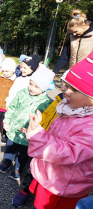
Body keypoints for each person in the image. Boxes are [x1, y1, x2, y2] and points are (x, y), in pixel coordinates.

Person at [24, 52, 93, 209]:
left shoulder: (90, 127)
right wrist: (38, 131)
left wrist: (39, 136)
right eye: (65, 85)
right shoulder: (70, 108)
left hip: (65, 186)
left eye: (73, 89)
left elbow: (70, 153)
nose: (64, 90)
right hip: (53, 174)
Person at [12, 71, 69, 207]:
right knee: (34, 166)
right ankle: (26, 189)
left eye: (67, 86)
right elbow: (47, 115)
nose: (62, 88)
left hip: (56, 146)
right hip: (43, 138)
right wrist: (36, 129)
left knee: (49, 173)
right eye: (65, 85)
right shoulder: (59, 99)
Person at [0, 66, 54, 181]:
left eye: (36, 86)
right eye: (31, 84)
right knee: (10, 147)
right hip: (15, 129)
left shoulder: (46, 102)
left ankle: (18, 168)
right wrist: (7, 121)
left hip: (29, 135)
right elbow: (12, 108)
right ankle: (7, 161)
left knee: (23, 154)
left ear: (44, 88)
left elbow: (46, 120)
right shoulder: (22, 93)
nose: (32, 88)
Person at [53, 9, 93, 74]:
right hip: (72, 72)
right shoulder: (72, 36)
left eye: (75, 31)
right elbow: (64, 56)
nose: (73, 34)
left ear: (83, 26)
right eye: (72, 32)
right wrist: (54, 71)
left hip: (88, 74)